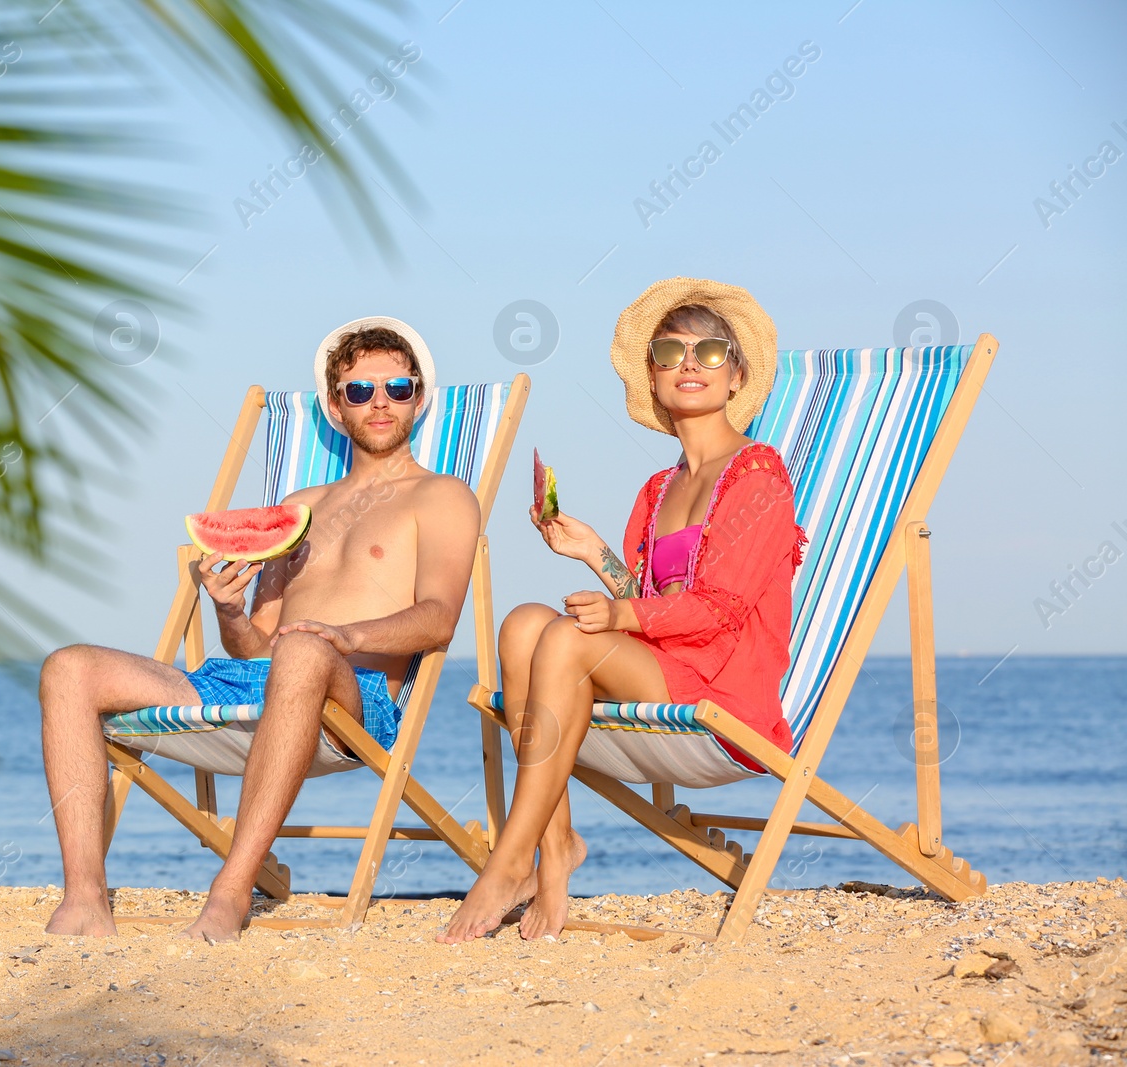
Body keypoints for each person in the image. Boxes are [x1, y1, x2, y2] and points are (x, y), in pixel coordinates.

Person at [40, 316, 480, 942]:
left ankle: (232, 889)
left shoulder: (442, 496)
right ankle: (85, 897)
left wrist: (345, 637)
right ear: (336, 405)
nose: (379, 402)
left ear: (418, 398)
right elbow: (256, 644)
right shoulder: (298, 507)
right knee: (69, 668)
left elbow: (438, 619)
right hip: (252, 682)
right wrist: (228, 611)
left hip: (356, 700)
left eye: (397, 388)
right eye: (360, 391)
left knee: (303, 648)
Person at [439, 277, 807, 944]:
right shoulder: (658, 487)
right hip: (667, 671)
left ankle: (511, 858)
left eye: (710, 352)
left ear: (737, 378)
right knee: (524, 623)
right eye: (670, 353)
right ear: (653, 378)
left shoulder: (760, 476)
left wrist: (616, 619)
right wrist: (593, 553)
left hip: (725, 695)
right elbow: (648, 600)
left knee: (566, 642)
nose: (689, 364)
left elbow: (719, 610)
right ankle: (556, 852)